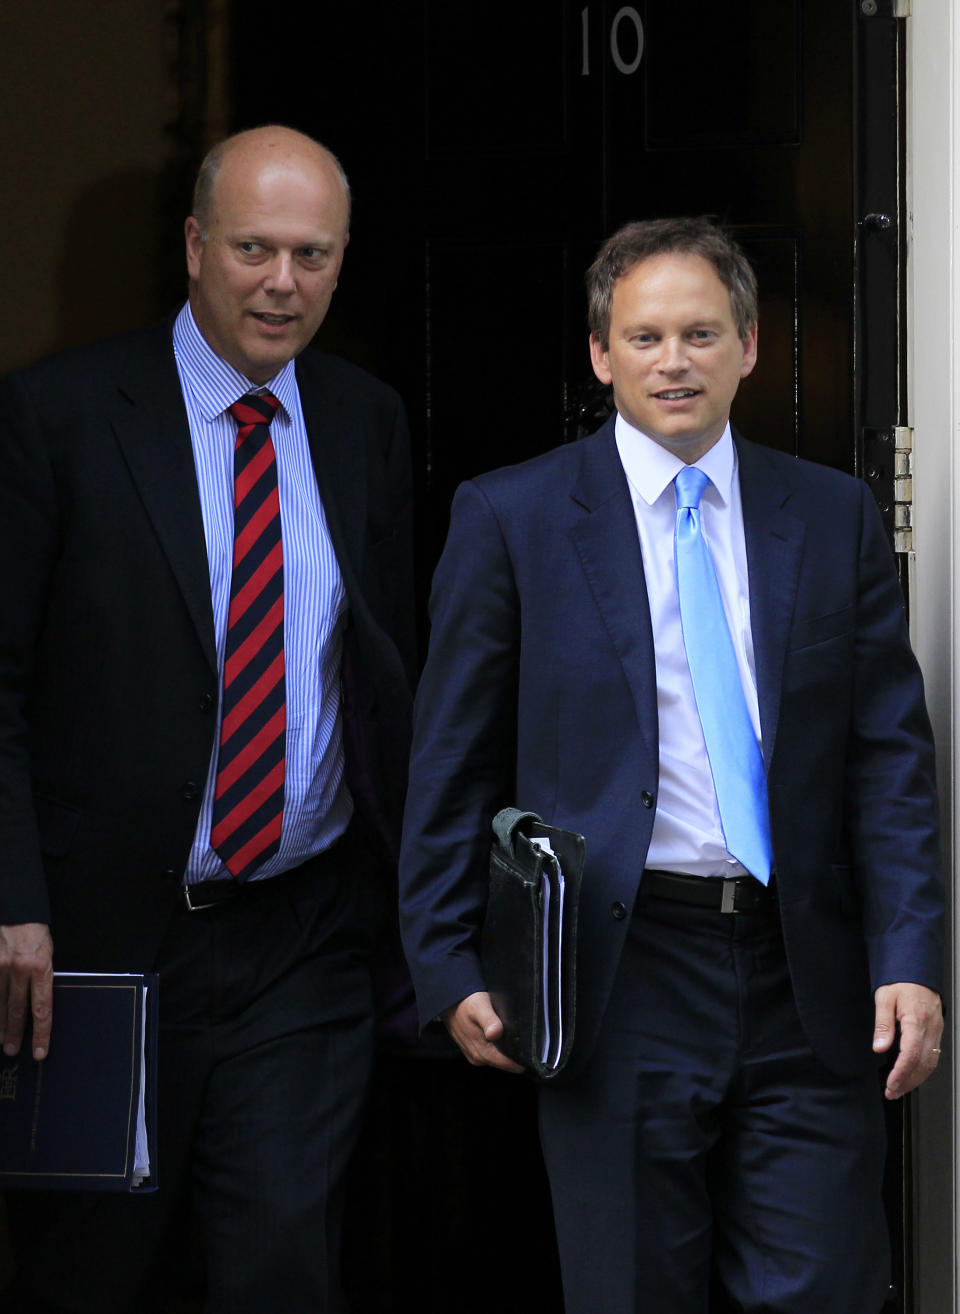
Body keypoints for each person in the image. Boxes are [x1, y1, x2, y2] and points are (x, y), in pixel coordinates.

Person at [398, 216, 944, 1314]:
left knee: (827, 1286)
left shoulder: (830, 513)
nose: (674, 361)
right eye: (644, 338)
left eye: (701, 333)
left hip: (808, 975)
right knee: (633, 1289)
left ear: (750, 344)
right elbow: (449, 762)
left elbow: (889, 758)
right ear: (600, 356)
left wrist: (912, 953)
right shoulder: (513, 517)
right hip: (625, 969)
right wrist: (445, 962)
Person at [0, 125, 415, 1313]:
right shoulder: (57, 417)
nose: (282, 282)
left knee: (280, 1271)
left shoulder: (365, 421)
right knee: (89, 1275)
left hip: (300, 940)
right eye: (253, 248)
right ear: (194, 245)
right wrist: (15, 902)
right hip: (97, 954)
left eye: (312, 254)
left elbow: (396, 675)